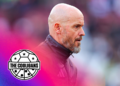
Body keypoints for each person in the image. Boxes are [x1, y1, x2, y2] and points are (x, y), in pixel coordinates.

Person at [36, 3, 85, 86]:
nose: (82, 33)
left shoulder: (72, 67)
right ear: (58, 28)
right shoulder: (37, 59)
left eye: (82, 27)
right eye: (76, 27)